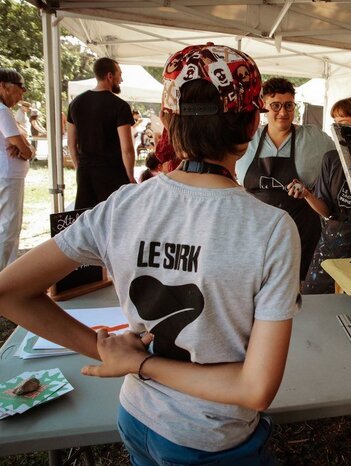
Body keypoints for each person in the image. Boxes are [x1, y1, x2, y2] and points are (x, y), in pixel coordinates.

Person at [0, 44, 300, 464]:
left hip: (137, 417)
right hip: (208, 436)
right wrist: (139, 363)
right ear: (253, 123)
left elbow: (9, 292)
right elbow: (255, 390)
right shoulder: (270, 229)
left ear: (167, 118)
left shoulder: (122, 205)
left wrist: (114, 354)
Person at [236, 77, 335, 281]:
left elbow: (341, 161)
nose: (283, 112)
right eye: (276, 106)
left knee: (299, 294)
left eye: (289, 105)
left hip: (301, 233)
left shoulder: (313, 138)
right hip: (255, 234)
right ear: (264, 106)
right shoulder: (247, 139)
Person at [290, 96, 351, 294]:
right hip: (331, 246)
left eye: (344, 124)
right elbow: (327, 211)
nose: (336, 130)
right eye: (335, 124)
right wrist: (307, 194)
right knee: (316, 303)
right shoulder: (331, 159)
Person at [67, 57, 136, 209]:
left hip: (86, 171)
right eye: (119, 74)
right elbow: (127, 148)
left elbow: (71, 143)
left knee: (86, 218)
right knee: (113, 218)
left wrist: (80, 168)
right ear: (109, 76)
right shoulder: (120, 106)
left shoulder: (75, 103)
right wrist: (130, 176)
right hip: (113, 172)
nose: (121, 79)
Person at [0, 69, 33, 272]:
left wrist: (22, 145)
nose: (22, 95)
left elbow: (20, 142)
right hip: (8, 175)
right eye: (20, 89)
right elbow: (23, 147)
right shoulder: (3, 111)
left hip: (7, 174)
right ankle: (6, 278)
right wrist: (25, 148)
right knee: (8, 229)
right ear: (4, 86)